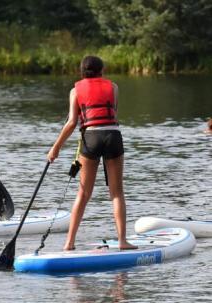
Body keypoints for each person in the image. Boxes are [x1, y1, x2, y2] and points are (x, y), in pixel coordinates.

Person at [47, 55, 136, 250]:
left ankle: (69, 243)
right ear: (101, 71)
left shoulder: (74, 91)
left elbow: (72, 122)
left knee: (84, 193)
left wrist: (56, 148)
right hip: (113, 136)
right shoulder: (113, 87)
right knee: (117, 192)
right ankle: (122, 241)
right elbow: (114, 113)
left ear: (82, 72)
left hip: (91, 138)